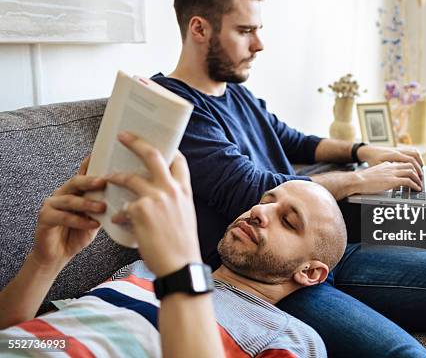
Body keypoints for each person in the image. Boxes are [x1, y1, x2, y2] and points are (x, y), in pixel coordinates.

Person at [150, 0, 426, 358]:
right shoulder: (173, 106)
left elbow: (294, 140)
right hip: (269, 273)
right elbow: (250, 190)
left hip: (325, 253)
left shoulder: (234, 91)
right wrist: (359, 180)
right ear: (199, 28)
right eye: (245, 31)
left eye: (258, 30)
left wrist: (365, 152)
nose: (259, 44)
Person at [0, 132, 346, 358]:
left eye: (288, 220)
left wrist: (181, 271)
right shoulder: (141, 270)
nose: (259, 211)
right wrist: (46, 262)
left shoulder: (291, 339)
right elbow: (23, 341)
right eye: (265, 200)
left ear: (310, 272)